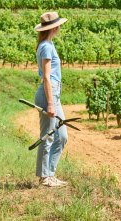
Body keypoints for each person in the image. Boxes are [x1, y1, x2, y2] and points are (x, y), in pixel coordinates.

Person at [34, 12, 68, 187]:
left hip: (54, 94)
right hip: (49, 93)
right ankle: (44, 177)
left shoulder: (47, 44)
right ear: (55, 27)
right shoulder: (46, 46)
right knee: (47, 136)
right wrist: (50, 103)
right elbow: (46, 77)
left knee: (61, 135)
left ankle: (51, 173)